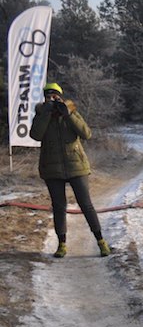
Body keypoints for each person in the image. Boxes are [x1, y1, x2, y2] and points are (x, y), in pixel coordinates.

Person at [29, 82, 111, 258]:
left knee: (86, 204)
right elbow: (36, 135)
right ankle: (62, 245)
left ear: (61, 96)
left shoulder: (71, 110)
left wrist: (68, 114)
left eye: (55, 95)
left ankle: (101, 241)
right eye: (49, 96)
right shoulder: (41, 113)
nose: (52, 98)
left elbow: (86, 133)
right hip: (51, 168)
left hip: (76, 166)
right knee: (59, 207)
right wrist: (47, 112)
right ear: (44, 98)